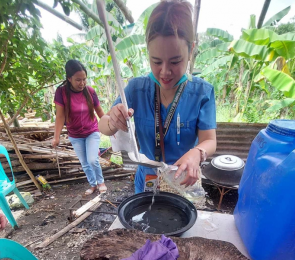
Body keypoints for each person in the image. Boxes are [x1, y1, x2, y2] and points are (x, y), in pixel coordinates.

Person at [99, 0, 217, 194]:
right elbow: (102, 125)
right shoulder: (136, 89)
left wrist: (197, 153)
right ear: (148, 53)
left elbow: (209, 140)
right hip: (147, 178)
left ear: (191, 49)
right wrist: (113, 120)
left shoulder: (202, 92)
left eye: (175, 61)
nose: (165, 72)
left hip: (183, 178)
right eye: (156, 61)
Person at [52, 60, 107, 195]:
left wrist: (109, 127)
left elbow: (99, 111)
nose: (82, 83)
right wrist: (56, 137)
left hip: (91, 131)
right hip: (75, 134)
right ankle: (92, 185)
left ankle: (101, 182)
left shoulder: (90, 91)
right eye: (78, 80)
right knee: (84, 163)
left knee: (92, 159)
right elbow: (60, 117)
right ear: (69, 78)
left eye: (84, 79)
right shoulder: (61, 92)